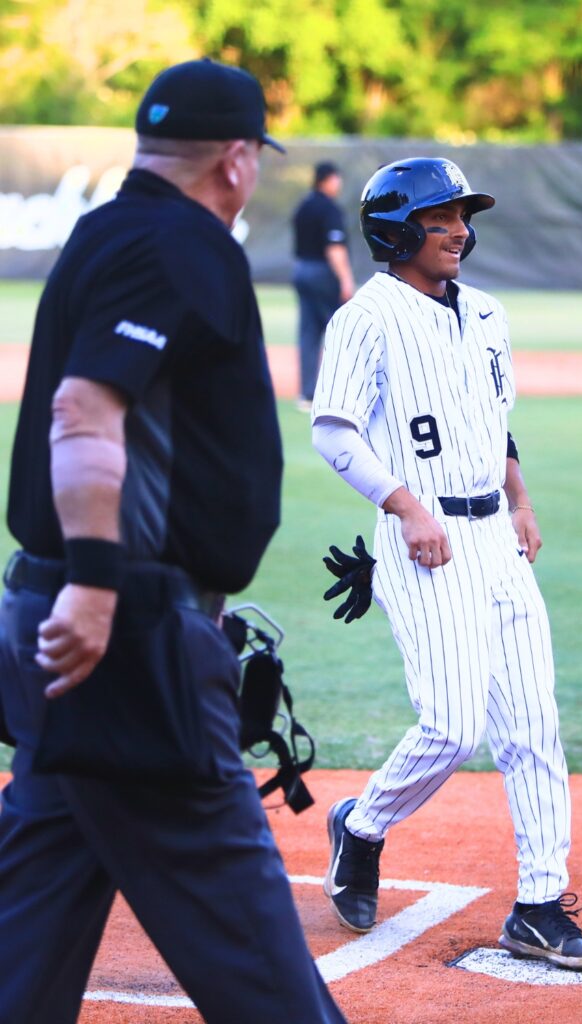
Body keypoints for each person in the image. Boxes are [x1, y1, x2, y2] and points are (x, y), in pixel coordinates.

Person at [0, 59, 347, 1023]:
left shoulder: (104, 232)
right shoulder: (181, 247)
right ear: (237, 161)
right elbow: (84, 410)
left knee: (25, 932)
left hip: (63, 619)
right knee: (250, 946)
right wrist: (101, 588)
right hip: (125, 638)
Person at [311, 157, 582, 971]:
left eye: (462, 216)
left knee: (532, 725)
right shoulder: (365, 318)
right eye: (440, 217)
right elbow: (334, 431)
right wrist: (405, 508)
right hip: (424, 536)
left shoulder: (485, 313)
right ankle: (362, 826)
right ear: (397, 230)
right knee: (451, 724)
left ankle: (541, 905)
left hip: (494, 535)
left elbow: (495, 420)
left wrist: (522, 501)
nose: (459, 230)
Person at [292, 160, 356, 410]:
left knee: (308, 333)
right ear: (327, 180)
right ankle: (338, 394)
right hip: (322, 272)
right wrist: (346, 279)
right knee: (337, 330)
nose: (338, 183)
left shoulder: (303, 206)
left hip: (301, 269)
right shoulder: (329, 209)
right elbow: (334, 248)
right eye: (336, 178)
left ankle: (307, 394)